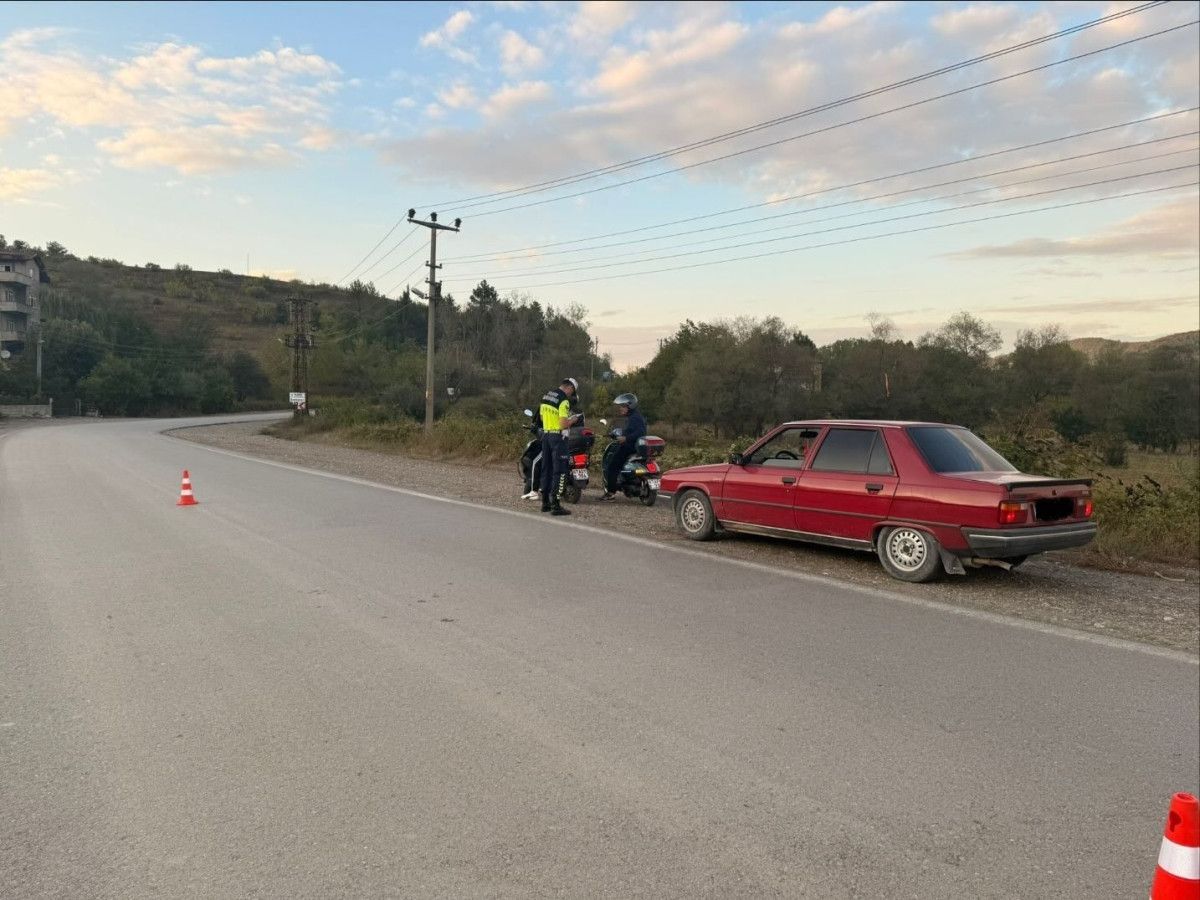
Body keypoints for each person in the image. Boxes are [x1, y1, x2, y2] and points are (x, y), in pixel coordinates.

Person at [538, 377, 580, 516]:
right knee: (560, 471)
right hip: (558, 438)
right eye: (572, 392)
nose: (570, 395)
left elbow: (543, 418)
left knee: (546, 469)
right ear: (570, 388)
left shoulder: (546, 396)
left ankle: (545, 503)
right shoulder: (563, 400)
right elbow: (563, 424)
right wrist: (572, 420)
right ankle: (556, 505)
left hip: (546, 435)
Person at [600, 393, 647, 500]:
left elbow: (641, 432)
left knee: (612, 466)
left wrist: (626, 438)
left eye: (622, 406)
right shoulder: (634, 416)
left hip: (629, 446)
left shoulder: (634, 418)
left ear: (629, 406)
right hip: (635, 446)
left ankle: (610, 493)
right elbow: (632, 431)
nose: (620, 408)